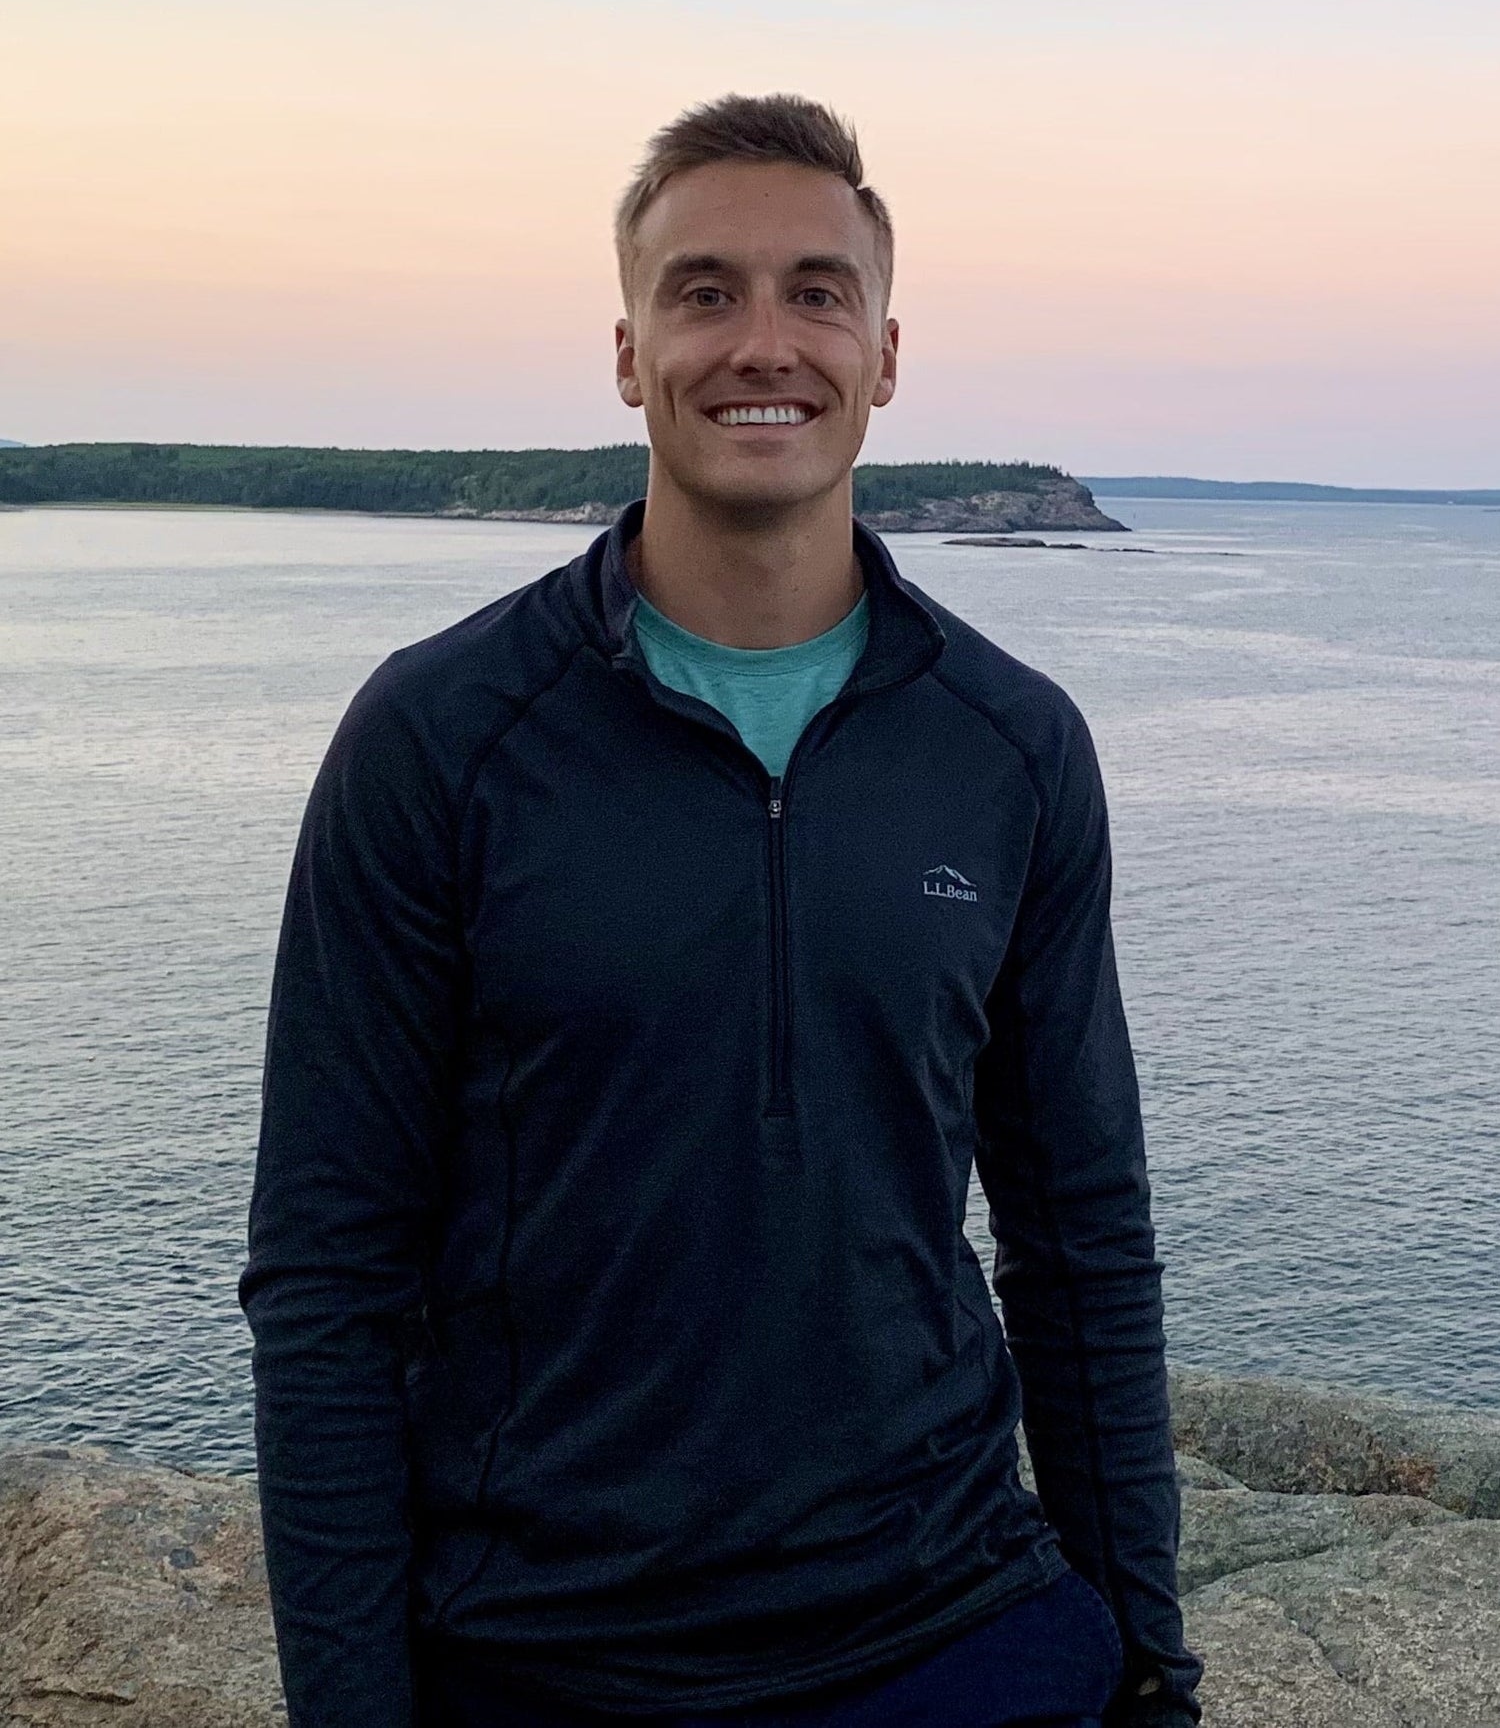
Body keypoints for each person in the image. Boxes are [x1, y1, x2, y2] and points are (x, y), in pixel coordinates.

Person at [240, 93, 1205, 1728]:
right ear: (628, 353)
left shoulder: (1010, 746)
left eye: (818, 291)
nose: (766, 338)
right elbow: (327, 1276)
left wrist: (1147, 1667)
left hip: (953, 1628)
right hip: (550, 1652)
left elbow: (1082, 1240)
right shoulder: (443, 738)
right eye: (704, 291)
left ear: (886, 355)